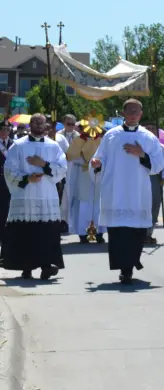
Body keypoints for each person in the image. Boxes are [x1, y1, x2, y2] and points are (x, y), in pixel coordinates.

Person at [91, 100, 164, 284]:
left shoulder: (148, 137)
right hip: (115, 190)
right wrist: (96, 164)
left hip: (138, 190)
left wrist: (142, 155)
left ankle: (130, 267)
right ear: (123, 113)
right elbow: (99, 158)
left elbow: (158, 164)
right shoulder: (111, 136)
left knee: (136, 231)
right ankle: (123, 267)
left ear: (141, 114)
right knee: (118, 232)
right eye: (130, 111)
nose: (133, 115)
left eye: (136, 111)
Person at [0, 114, 67, 280]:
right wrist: (26, 178)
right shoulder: (18, 146)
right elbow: (9, 170)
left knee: (46, 233)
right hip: (25, 195)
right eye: (35, 122)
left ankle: (47, 266)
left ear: (46, 126)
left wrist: (43, 164)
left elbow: (62, 169)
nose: (38, 125)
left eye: (41, 123)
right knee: (26, 232)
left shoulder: (53, 146)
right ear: (30, 125)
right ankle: (26, 267)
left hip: (46, 195)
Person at [65, 119, 106, 243]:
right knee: (83, 204)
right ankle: (83, 232)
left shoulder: (102, 141)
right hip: (83, 174)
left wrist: (100, 164)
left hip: (99, 174)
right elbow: (70, 155)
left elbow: (107, 156)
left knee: (98, 203)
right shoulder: (78, 141)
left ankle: (99, 232)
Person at [142, 122, 164, 245]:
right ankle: (139, 233)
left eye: (152, 129)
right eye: (147, 128)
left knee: (154, 206)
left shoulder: (161, 147)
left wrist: (163, 178)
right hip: (139, 179)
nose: (150, 130)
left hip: (154, 178)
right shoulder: (139, 146)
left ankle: (148, 233)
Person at [0, 121, 13, 244]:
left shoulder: (13, 144)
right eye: (3, 129)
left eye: (7, 129)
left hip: (11, 180)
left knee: (9, 207)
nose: (5, 132)